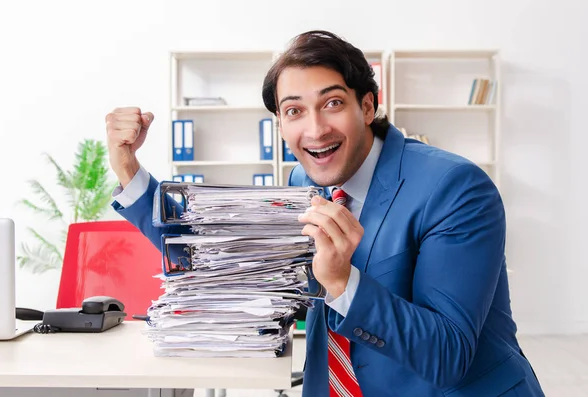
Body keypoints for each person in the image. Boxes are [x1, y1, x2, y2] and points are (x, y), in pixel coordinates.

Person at [106, 30, 544, 397]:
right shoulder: (305, 184)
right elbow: (214, 257)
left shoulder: (453, 188)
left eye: (332, 103)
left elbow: (448, 355)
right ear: (280, 125)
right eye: (294, 111)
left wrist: (342, 282)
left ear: (367, 107)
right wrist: (129, 171)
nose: (315, 129)